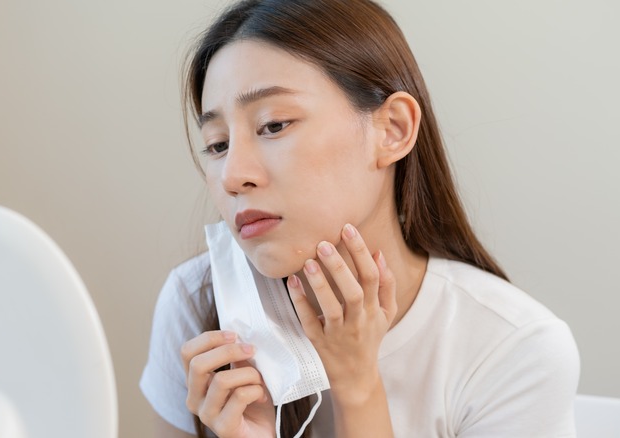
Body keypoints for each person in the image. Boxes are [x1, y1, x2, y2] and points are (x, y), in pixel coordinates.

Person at [140, 0, 580, 437]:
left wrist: (358, 390)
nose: (234, 176)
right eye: (217, 144)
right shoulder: (197, 305)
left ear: (392, 130)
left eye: (273, 125)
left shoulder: (513, 348)